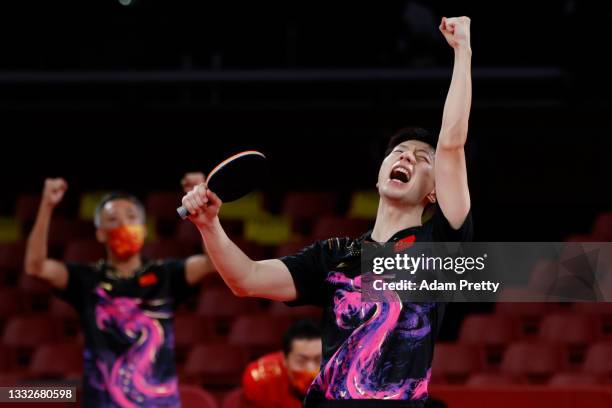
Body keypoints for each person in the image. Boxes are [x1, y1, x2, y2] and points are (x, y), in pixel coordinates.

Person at [181, 16, 472, 407]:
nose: (407, 156)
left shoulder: (441, 245)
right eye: (398, 152)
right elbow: (246, 278)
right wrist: (209, 224)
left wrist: (462, 51)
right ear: (380, 174)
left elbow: (452, 146)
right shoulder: (334, 256)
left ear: (435, 192)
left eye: (423, 159)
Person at [24, 173, 216, 407]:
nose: (123, 224)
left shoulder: (165, 274)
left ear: (143, 229)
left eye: (131, 217)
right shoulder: (86, 279)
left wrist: (205, 213)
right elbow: (35, 267)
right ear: (100, 232)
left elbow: (211, 263)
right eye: (113, 219)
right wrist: (46, 205)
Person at [242, 320, 322, 408]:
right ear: (285, 360)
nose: (311, 369)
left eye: (318, 359)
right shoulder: (260, 380)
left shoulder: (336, 373)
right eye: (301, 361)